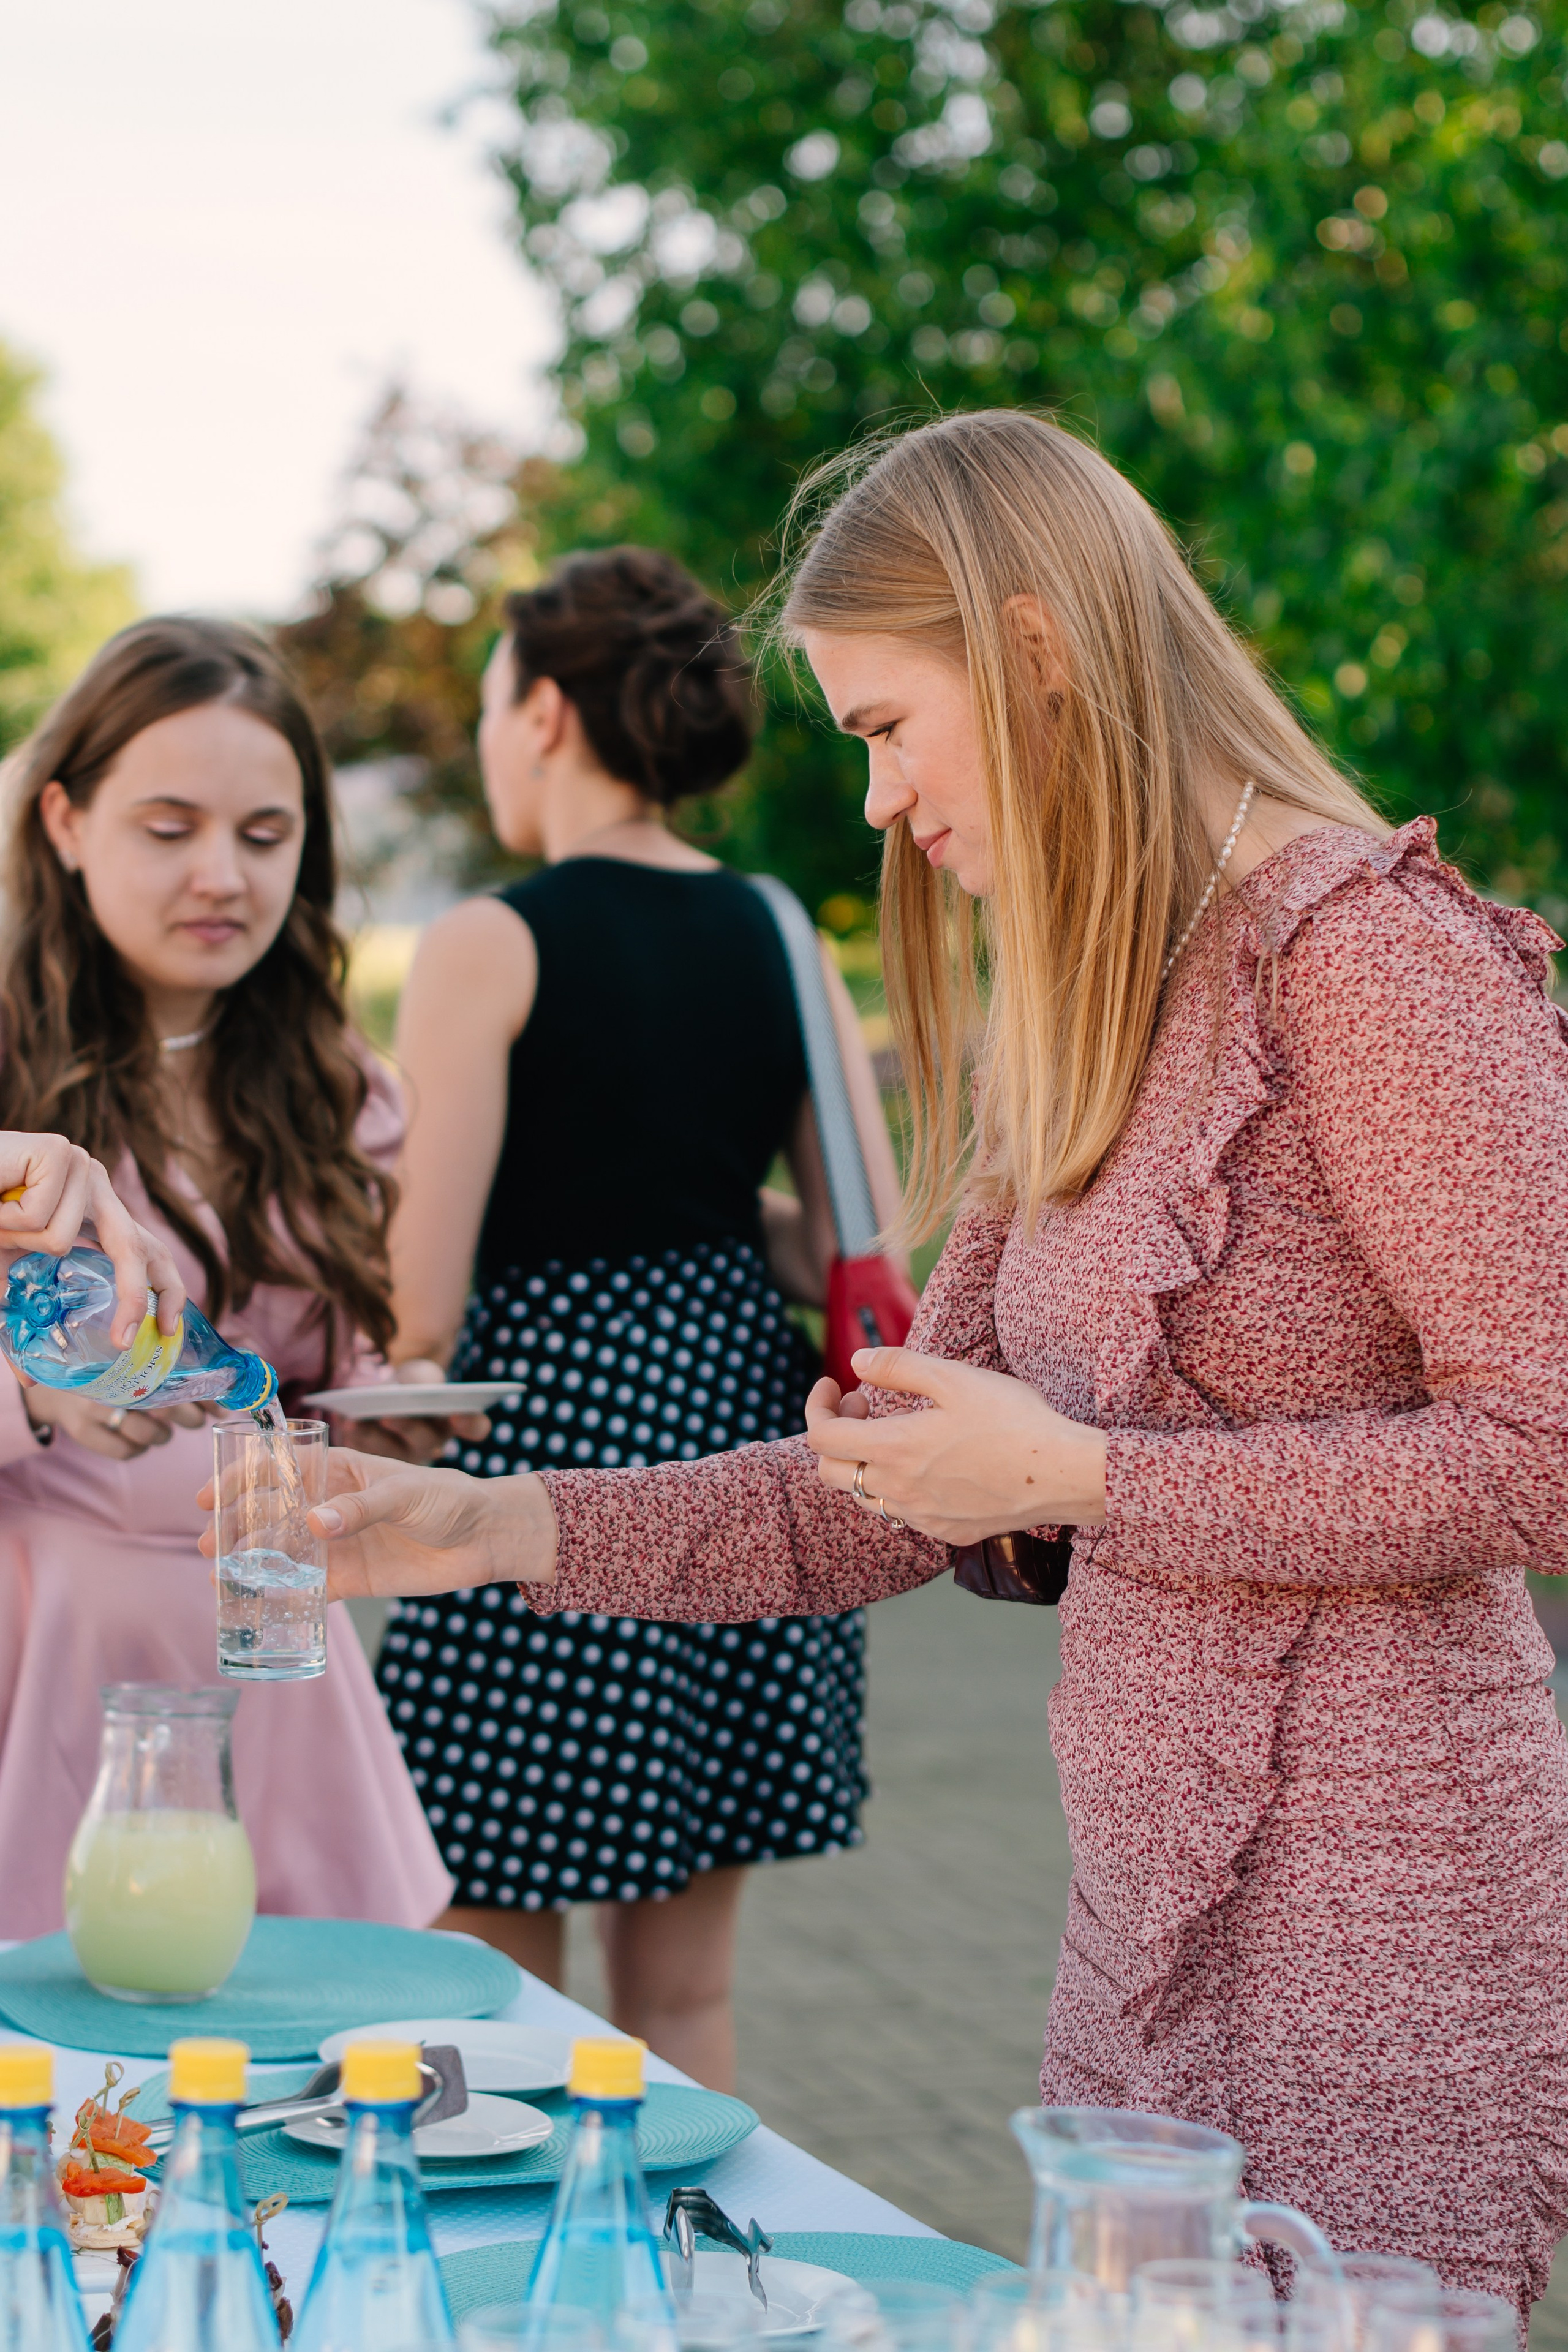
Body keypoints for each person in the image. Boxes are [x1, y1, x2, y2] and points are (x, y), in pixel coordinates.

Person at [227, 413, 1568, 2314]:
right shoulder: (1105, 995)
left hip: (1390, 1930)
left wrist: (1085, 1482)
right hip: (1136, 1942)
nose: (872, 801)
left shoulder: (1371, 960)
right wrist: (470, 1526)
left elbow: (1551, 1447)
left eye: (881, 726)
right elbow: (877, 1490)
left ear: (1032, 648)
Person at [380, 545, 902, 2089]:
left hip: (546, 1477)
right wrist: (691, 1200)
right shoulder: (776, 927)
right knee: (680, 2007)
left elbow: (421, 1297)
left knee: (481, 1998)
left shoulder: (488, 938)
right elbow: (849, 1252)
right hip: (740, 1477)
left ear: (542, 712)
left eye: (491, 707)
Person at [0, 614, 464, 1934]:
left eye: (266, 836)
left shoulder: (344, 1090)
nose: (221, 875)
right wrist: (40, 1400)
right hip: (41, 1651)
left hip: (267, 1667)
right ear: (65, 821)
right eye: (168, 828)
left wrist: (399, 1400)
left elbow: (319, 1367)